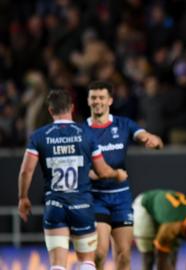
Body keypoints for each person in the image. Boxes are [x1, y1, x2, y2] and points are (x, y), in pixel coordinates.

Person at [17, 89, 128, 270]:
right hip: (82, 206)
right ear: (72, 108)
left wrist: (23, 198)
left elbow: (26, 171)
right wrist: (117, 174)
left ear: (50, 111)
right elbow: (102, 171)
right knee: (87, 262)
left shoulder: (39, 136)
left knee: (57, 264)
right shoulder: (87, 134)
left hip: (55, 206)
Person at [84, 81, 164, 270]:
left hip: (121, 197)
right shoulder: (82, 131)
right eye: (93, 97)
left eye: (101, 97)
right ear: (88, 100)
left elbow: (143, 135)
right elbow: (82, 168)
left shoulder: (123, 124)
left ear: (110, 100)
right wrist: (100, 175)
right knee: (99, 253)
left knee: (124, 255)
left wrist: (153, 140)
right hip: (95, 198)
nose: (97, 101)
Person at [132, 189, 186, 270]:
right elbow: (161, 258)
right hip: (145, 206)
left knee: (173, 252)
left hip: (168, 212)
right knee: (149, 256)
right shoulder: (171, 226)